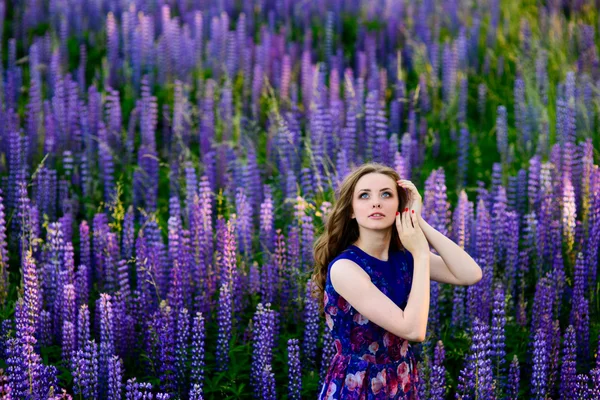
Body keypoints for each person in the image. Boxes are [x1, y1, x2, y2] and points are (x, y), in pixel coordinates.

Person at [311, 162, 482, 399]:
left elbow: (470, 274)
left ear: (399, 206)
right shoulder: (346, 268)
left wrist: (418, 221)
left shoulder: (402, 258)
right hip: (358, 386)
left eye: (386, 194)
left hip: (401, 381)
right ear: (351, 210)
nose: (376, 202)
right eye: (364, 195)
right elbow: (413, 330)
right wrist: (420, 253)